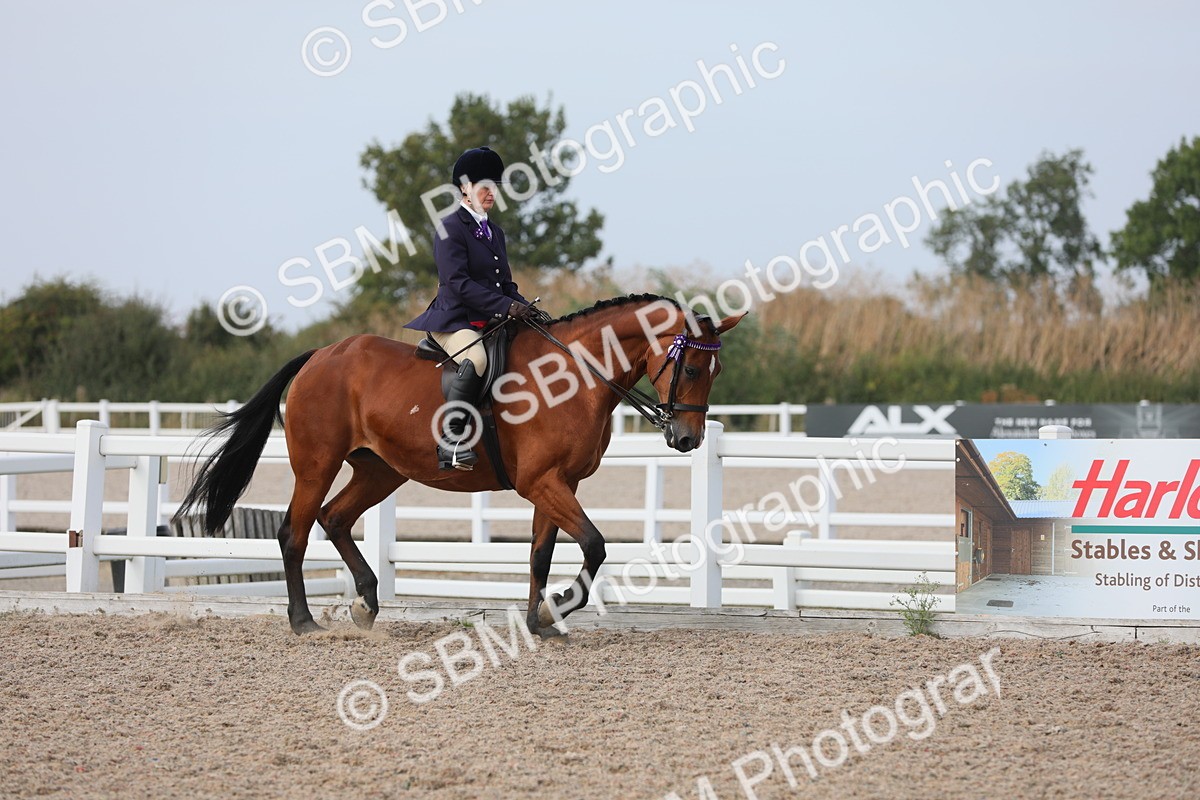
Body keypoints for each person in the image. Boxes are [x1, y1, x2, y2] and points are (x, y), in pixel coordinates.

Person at [405, 146, 540, 471]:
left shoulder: (495, 232)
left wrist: (525, 308)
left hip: (488, 319)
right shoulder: (449, 227)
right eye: (483, 185)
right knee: (476, 357)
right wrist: (506, 306)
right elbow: (458, 284)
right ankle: (451, 440)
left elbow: (504, 284)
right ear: (464, 188)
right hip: (454, 319)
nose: (490, 192)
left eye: (494, 186)